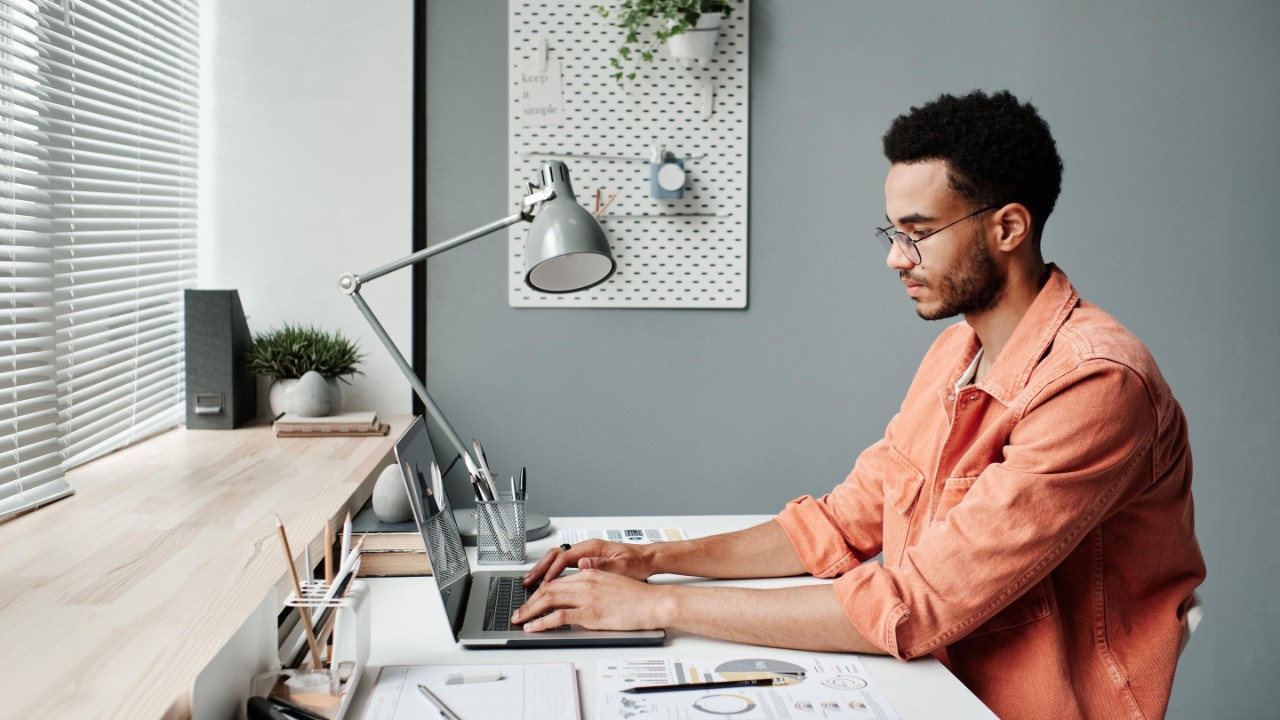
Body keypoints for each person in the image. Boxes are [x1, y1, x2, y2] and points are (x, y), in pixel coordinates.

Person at [514, 90, 1205, 720]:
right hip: (929, 682)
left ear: (1009, 228)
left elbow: (913, 607)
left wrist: (659, 607)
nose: (895, 259)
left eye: (919, 232)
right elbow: (842, 523)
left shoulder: (1096, 385)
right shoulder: (958, 351)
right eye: (891, 233)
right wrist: (656, 560)